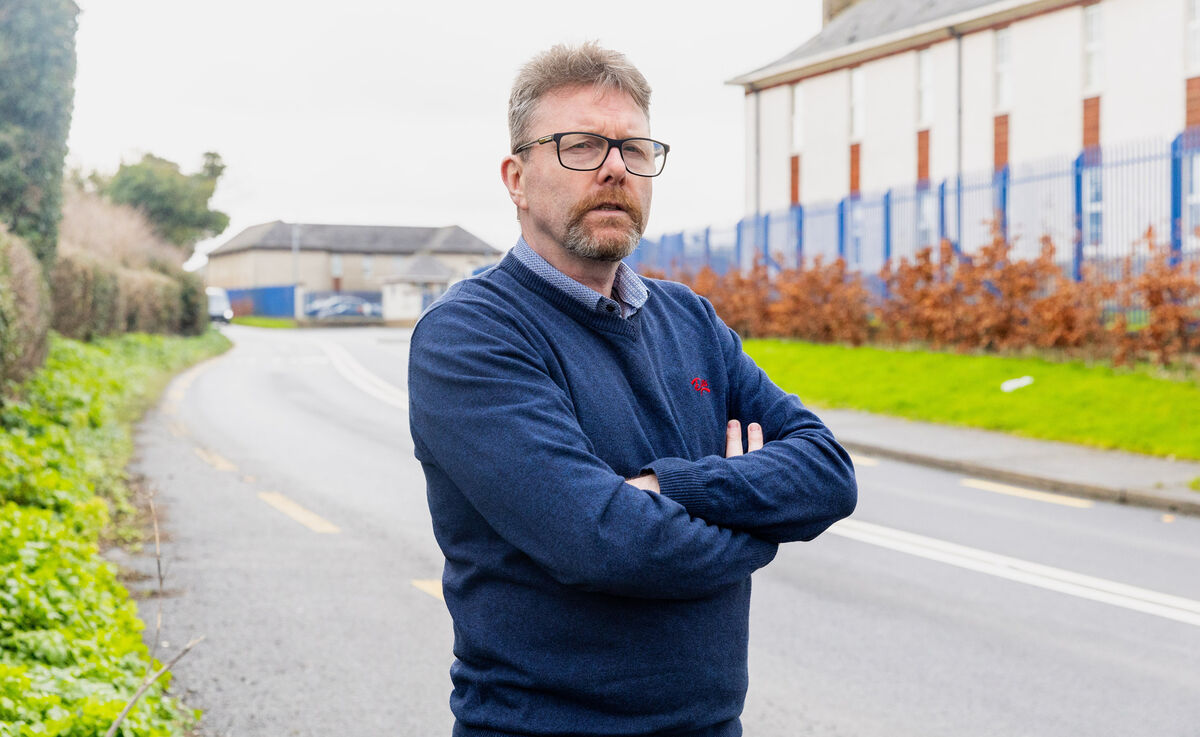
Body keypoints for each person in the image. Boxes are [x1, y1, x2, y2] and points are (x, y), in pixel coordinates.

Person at [407, 41, 857, 737]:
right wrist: (759, 522)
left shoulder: (691, 320)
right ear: (517, 177)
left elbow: (828, 472)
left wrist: (670, 487)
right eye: (582, 145)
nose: (616, 167)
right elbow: (603, 540)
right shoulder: (470, 336)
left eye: (635, 149)